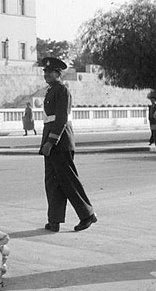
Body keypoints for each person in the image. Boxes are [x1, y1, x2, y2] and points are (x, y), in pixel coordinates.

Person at [39, 57, 97, 232]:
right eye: (45, 72)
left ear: (58, 73)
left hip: (60, 142)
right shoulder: (51, 91)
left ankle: (87, 215)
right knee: (52, 182)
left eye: (50, 72)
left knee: (68, 181)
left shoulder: (62, 90)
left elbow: (62, 119)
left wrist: (51, 141)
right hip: (51, 141)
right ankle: (54, 220)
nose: (46, 74)